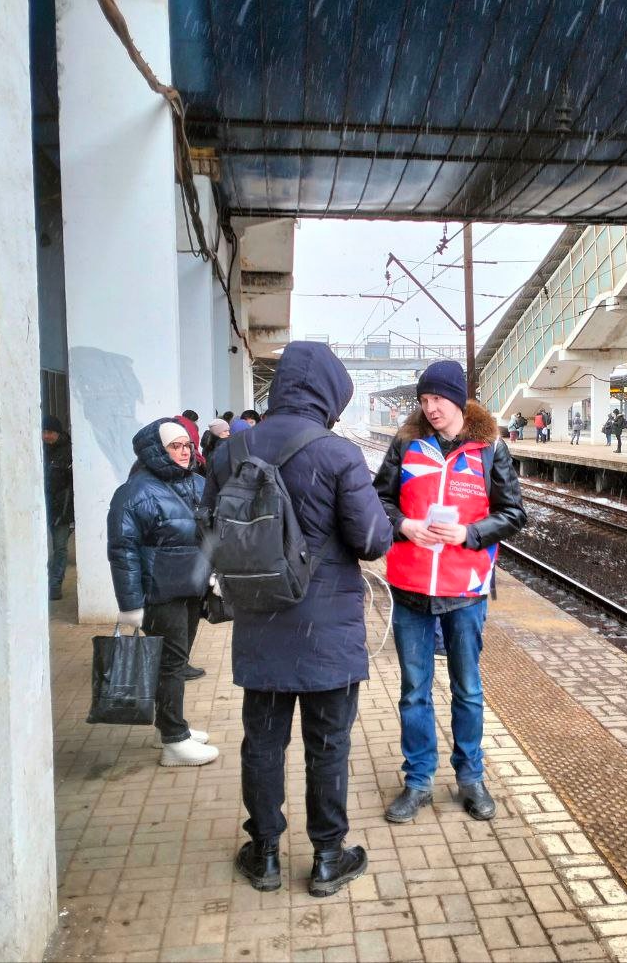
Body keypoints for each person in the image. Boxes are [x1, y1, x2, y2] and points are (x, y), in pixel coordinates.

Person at [202, 342, 392, 898]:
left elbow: (212, 532)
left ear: (282, 385)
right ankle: (329, 856)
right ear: (330, 393)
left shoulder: (231, 450)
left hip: (260, 621)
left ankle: (263, 854)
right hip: (327, 629)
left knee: (262, 744)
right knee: (328, 745)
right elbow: (371, 540)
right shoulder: (339, 454)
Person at [373, 359, 526, 825]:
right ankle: (418, 781)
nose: (430, 407)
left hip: (465, 587)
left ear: (458, 398)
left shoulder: (488, 449)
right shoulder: (406, 444)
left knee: (468, 689)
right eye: (424, 400)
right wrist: (403, 524)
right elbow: (377, 499)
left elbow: (514, 513)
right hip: (411, 584)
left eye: (437, 398)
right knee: (414, 691)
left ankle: (470, 777)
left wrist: (470, 533)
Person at [106, 418, 217, 767]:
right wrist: (130, 604)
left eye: (187, 446)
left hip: (190, 588)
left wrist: (214, 572)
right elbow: (122, 549)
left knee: (176, 662)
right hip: (160, 592)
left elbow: (210, 533)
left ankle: (171, 725)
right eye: (175, 446)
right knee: (170, 666)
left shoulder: (197, 484)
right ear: (157, 450)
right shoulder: (135, 492)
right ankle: (174, 740)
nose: (184, 452)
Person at [42, 415, 74, 601]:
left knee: (60, 548)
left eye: (50, 432)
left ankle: (54, 585)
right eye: (44, 432)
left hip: (60, 509)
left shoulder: (69, 451)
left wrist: (67, 512)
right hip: (41, 507)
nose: (46, 436)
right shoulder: (37, 449)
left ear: (58, 433)